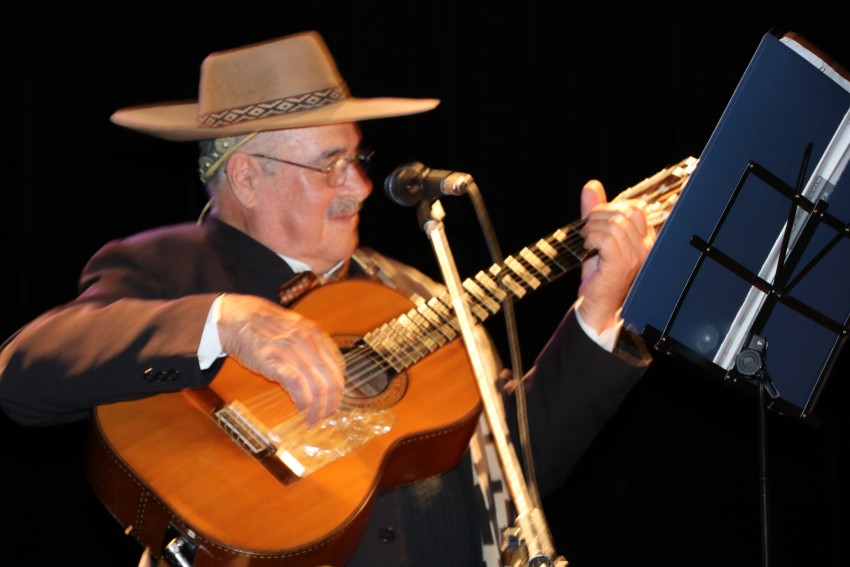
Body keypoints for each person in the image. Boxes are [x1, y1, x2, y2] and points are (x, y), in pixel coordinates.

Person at [0, 31, 654, 566]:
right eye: (330, 164)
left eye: (358, 158)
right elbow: (23, 371)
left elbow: (521, 465)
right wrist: (226, 322)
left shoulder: (420, 292)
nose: (361, 186)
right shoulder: (167, 268)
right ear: (248, 176)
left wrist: (597, 313)